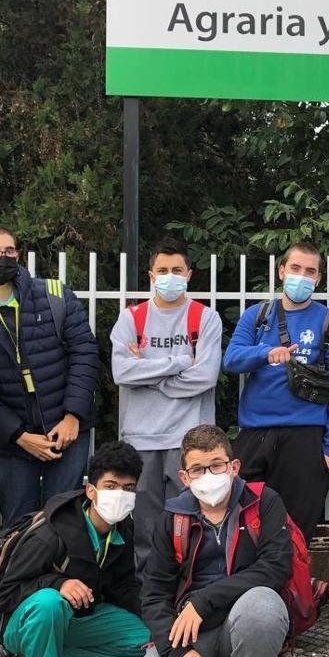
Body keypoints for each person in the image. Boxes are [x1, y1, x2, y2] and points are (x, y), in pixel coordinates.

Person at [124, 425, 292, 657]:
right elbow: (154, 592)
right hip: (190, 630)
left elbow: (275, 568)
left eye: (216, 465)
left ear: (233, 467)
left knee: (264, 606)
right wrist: (175, 653)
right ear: (184, 477)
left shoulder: (264, 502)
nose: (209, 475)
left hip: (240, 619)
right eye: (198, 469)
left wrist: (203, 601)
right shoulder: (172, 518)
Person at [0, 441, 150, 657]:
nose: (120, 495)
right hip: (24, 622)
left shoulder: (122, 529)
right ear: (91, 490)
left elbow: (123, 587)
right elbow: (5, 595)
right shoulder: (51, 533)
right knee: (50, 604)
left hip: (81, 619)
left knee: (152, 640)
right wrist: (56, 583)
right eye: (111, 485)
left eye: (128, 488)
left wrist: (161, 615)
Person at [0, 225, 100, 526]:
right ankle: (18, 574)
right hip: (12, 442)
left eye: (9, 251)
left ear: (18, 255)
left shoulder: (54, 296)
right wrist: (19, 435)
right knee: (18, 526)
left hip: (66, 431)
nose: (2, 258)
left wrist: (73, 416)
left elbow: (84, 352)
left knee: (65, 521)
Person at [224, 241, 329, 542]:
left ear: (318, 279)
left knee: (295, 533)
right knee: (243, 527)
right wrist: (266, 353)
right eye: (295, 268)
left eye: (310, 271)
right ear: (282, 271)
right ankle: (251, 590)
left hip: (306, 439)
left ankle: (292, 590)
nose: (302, 276)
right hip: (254, 435)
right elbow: (231, 359)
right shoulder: (257, 316)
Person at [111, 237, 222, 565]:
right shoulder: (132, 319)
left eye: (176, 269)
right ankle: (148, 595)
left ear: (189, 274)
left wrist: (147, 371)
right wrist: (178, 363)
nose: (169, 276)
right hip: (139, 438)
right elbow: (122, 373)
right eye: (162, 270)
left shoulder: (205, 318)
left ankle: (189, 587)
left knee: (189, 522)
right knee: (144, 527)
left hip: (189, 441)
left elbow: (206, 377)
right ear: (151, 275)